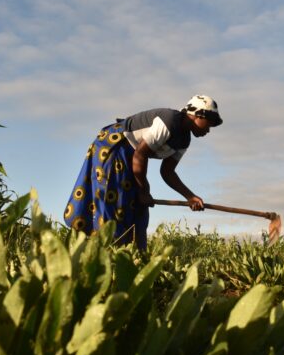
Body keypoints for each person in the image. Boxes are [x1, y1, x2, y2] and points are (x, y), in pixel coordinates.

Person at [63, 95, 222, 249]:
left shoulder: (184, 140)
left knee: (137, 208)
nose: (209, 129)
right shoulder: (170, 121)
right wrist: (144, 190)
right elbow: (141, 153)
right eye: (209, 123)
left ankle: (133, 258)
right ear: (197, 115)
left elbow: (167, 172)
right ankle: (105, 256)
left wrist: (190, 197)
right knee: (114, 203)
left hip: (133, 158)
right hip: (115, 148)